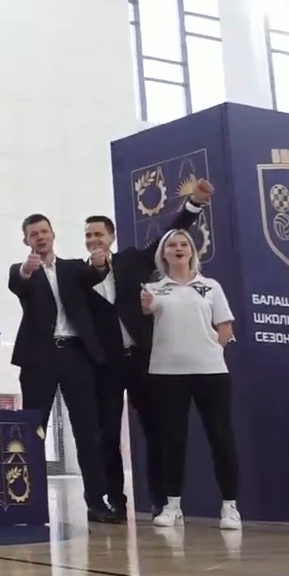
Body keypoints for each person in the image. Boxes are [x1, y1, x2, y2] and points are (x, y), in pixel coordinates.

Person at [84, 178, 211, 519]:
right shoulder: (80, 274)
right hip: (107, 366)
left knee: (156, 430)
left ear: (111, 238)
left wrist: (194, 204)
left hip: (142, 359)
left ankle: (161, 500)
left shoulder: (132, 261)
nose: (94, 240)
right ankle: (116, 502)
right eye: (89, 236)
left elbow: (168, 234)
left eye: (99, 234)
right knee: (107, 434)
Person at [7, 213, 119, 524]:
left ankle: (96, 502)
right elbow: (18, 282)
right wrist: (27, 270)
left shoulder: (72, 268)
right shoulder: (22, 270)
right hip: (39, 359)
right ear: (26, 240)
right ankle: (27, 502)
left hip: (76, 355)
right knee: (34, 431)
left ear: (53, 234)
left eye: (44, 231)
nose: (40, 237)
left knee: (88, 431)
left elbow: (94, 273)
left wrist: (100, 263)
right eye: (33, 234)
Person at [142, 229, 240, 530]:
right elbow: (145, 314)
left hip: (211, 372)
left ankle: (230, 507)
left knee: (220, 437)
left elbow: (225, 327)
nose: (178, 248)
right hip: (166, 374)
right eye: (172, 245)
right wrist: (146, 306)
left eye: (184, 244)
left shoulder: (210, 287)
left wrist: (211, 350)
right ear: (164, 253)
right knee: (172, 440)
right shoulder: (154, 289)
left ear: (192, 251)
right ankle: (172, 506)